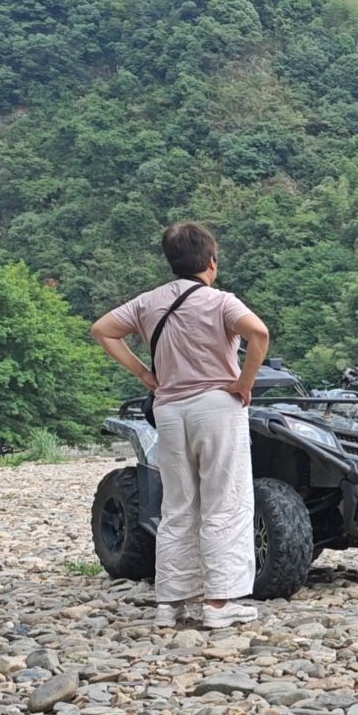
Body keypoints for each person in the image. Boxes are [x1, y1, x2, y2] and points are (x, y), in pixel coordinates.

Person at [91, 222, 272, 629]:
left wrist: (143, 373)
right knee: (225, 499)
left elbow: (102, 330)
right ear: (211, 260)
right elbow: (258, 333)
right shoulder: (221, 301)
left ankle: (169, 603)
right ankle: (221, 603)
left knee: (177, 504)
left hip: (169, 410)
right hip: (216, 406)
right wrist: (244, 383)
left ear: (172, 262)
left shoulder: (149, 302)